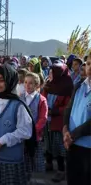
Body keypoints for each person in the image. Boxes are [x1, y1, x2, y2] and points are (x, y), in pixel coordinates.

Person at [0, 64, 35, 185]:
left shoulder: (18, 105)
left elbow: (25, 131)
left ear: (10, 81)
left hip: (12, 160)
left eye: (1, 80)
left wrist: (3, 140)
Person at [42, 63, 73, 183]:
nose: (50, 75)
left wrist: (53, 111)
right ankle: (49, 164)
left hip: (59, 121)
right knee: (48, 144)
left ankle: (61, 170)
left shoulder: (68, 86)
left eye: (52, 72)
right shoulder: (49, 84)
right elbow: (43, 98)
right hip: (47, 120)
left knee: (59, 146)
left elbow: (68, 106)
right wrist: (45, 110)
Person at [63, 53, 91, 185]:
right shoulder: (79, 85)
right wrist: (65, 130)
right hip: (73, 144)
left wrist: (72, 135)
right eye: (89, 64)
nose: (90, 67)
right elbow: (69, 108)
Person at [21, 72, 48, 181]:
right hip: (22, 135)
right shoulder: (20, 98)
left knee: (34, 159)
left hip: (35, 136)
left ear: (37, 85)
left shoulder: (41, 100)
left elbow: (43, 118)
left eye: (31, 83)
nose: (28, 85)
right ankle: (24, 178)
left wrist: (33, 130)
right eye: (26, 82)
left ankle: (32, 179)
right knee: (23, 159)